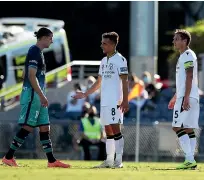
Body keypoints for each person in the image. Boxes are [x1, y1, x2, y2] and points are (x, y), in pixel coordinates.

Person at [2, 27, 70, 168]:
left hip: (37, 95)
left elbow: (24, 74)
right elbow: (31, 76)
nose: (51, 41)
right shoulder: (34, 51)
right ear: (44, 38)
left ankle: (51, 161)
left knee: (45, 127)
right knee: (28, 126)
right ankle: (8, 157)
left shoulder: (36, 52)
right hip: (34, 95)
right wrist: (41, 95)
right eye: (50, 38)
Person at [73, 32, 129, 168]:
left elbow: (125, 81)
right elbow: (99, 82)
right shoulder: (103, 61)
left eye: (104, 43)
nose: (101, 45)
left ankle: (119, 161)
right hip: (104, 102)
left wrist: (125, 100)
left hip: (115, 101)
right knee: (108, 131)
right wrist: (85, 93)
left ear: (112, 44)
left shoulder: (120, 60)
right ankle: (109, 160)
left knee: (116, 130)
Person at [168, 29, 199, 169]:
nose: (174, 41)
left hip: (187, 96)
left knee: (176, 126)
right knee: (188, 128)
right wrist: (175, 97)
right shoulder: (186, 55)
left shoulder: (187, 55)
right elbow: (183, 81)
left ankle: (189, 159)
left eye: (176, 39)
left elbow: (189, 76)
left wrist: (184, 97)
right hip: (190, 96)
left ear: (184, 41)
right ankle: (190, 159)